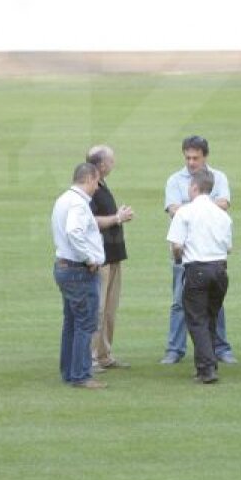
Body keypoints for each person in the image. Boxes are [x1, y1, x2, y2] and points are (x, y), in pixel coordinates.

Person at [161, 135, 237, 365]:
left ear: (205, 157)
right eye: (188, 158)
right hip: (185, 253)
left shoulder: (219, 177)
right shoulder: (175, 179)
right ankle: (175, 348)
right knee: (178, 302)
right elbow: (172, 208)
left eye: (195, 158)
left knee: (214, 304)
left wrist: (194, 209)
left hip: (209, 252)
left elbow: (225, 203)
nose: (191, 162)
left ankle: (220, 348)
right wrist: (205, 207)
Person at [166, 169, 233, 384]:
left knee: (196, 319)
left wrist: (179, 258)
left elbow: (176, 245)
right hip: (220, 270)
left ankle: (206, 369)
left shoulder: (184, 213)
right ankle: (207, 362)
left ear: (194, 188)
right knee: (210, 317)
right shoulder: (222, 215)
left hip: (197, 269)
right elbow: (229, 248)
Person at [51, 162, 107, 389]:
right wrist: (90, 259)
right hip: (78, 270)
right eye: (97, 182)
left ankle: (69, 371)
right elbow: (74, 232)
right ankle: (82, 375)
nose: (97, 188)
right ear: (90, 179)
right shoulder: (79, 204)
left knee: (72, 322)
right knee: (85, 323)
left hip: (64, 266)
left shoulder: (63, 199)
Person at [86, 145, 134, 373]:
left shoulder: (101, 184)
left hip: (114, 255)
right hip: (101, 258)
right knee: (98, 308)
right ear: (102, 165)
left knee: (110, 309)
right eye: (111, 160)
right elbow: (91, 221)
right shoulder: (90, 188)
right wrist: (117, 218)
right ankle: (92, 358)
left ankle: (104, 354)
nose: (114, 163)